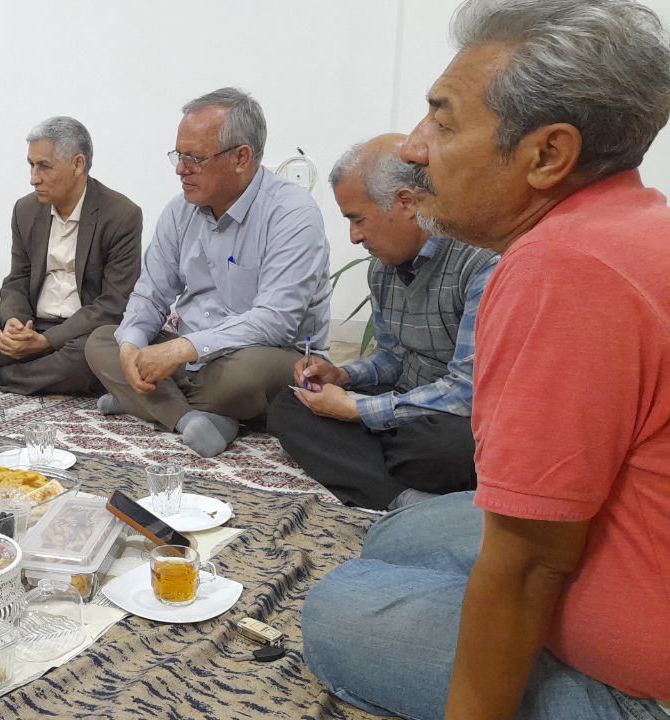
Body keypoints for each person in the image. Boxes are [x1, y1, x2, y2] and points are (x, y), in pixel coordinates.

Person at [302, 1, 670, 718]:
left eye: (443, 122)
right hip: (603, 536)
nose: (414, 148)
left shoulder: (560, 267)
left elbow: (531, 562)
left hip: (640, 690)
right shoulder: (631, 223)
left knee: (337, 607)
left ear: (547, 155)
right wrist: (345, 381)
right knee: (399, 534)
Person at [84, 87, 332, 458]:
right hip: (191, 357)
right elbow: (151, 292)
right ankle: (191, 418)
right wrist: (132, 346)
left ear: (241, 158)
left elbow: (276, 321)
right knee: (102, 341)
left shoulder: (292, 214)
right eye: (178, 155)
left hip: (263, 355)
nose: (181, 169)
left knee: (245, 376)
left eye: (195, 158)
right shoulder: (179, 210)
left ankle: (146, 400)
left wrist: (181, 349)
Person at [267, 134, 498, 510]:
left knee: (440, 449)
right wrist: (342, 376)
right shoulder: (382, 269)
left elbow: (466, 392)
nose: (354, 237)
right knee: (288, 406)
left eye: (358, 220)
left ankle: (371, 469)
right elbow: (392, 358)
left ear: (406, 202)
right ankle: (402, 498)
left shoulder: (480, 264)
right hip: (406, 407)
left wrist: (356, 411)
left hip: (455, 419)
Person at [0, 116, 142, 395]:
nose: (33, 178)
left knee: (94, 355)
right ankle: (38, 370)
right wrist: (14, 324)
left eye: (44, 166)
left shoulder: (121, 215)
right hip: (34, 323)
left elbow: (113, 304)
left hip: (81, 333)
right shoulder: (25, 210)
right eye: (31, 165)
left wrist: (48, 341)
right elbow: (18, 278)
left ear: (78, 164)